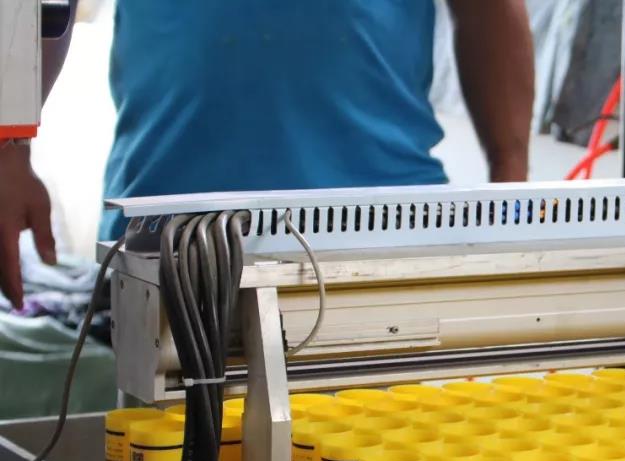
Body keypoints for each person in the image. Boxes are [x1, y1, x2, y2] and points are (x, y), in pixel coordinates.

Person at [0, 0, 534, 307]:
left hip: (381, 243)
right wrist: (9, 144)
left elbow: (488, 9)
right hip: (171, 239)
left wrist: (510, 182)